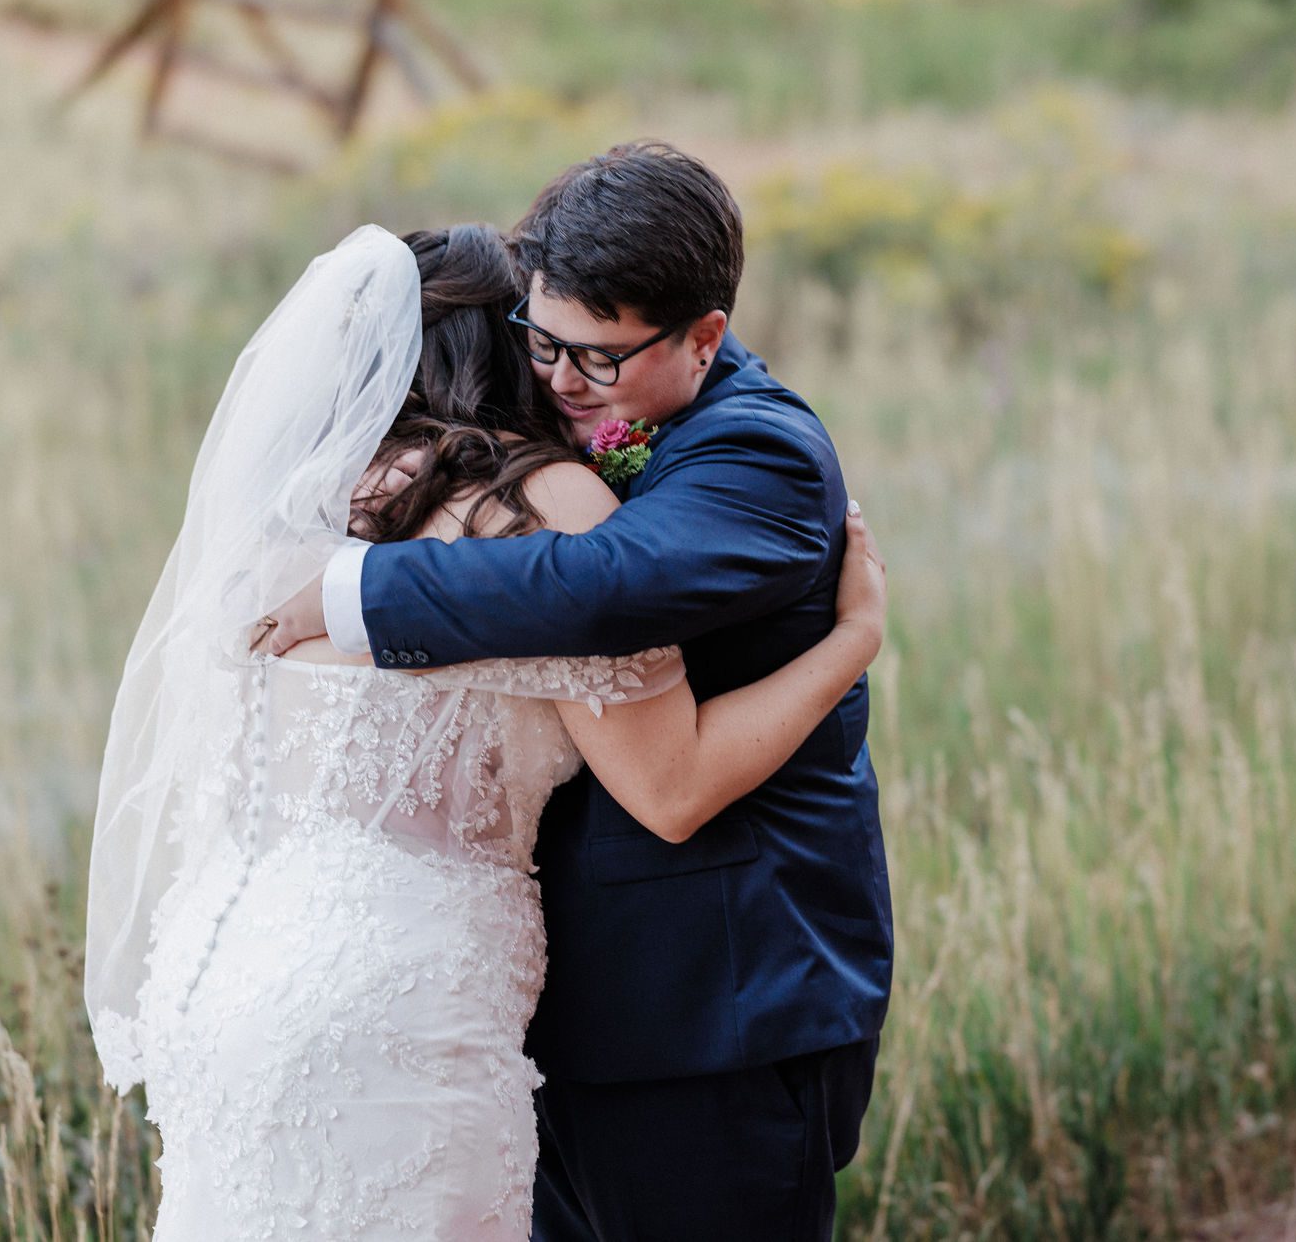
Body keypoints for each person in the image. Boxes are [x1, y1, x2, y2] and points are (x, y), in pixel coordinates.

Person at [85, 221, 886, 1239]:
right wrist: (851, 639)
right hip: (398, 987)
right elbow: (670, 786)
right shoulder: (539, 503)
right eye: (539, 339)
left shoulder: (292, 511)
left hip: (223, 969)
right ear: (506, 347)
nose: (561, 367)